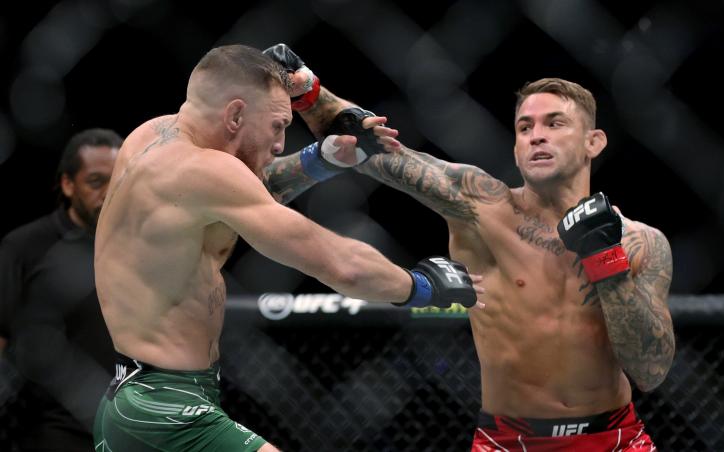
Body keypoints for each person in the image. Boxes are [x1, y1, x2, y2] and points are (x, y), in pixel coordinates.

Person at [264, 44, 674, 451]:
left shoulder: (640, 241)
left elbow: (651, 371)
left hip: (617, 439)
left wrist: (606, 259)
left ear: (594, 142)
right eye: (525, 128)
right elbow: (368, 148)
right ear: (514, 147)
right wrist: (308, 91)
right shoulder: (481, 206)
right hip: (509, 442)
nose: (537, 137)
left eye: (555, 124)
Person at [91, 44, 480, 452]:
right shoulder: (204, 170)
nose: (279, 143)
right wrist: (422, 285)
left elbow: (244, 193)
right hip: (165, 411)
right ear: (236, 114)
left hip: (140, 397)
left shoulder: (151, 137)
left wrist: (323, 158)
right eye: (277, 126)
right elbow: (339, 264)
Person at [0, 128, 121, 451]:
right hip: (53, 429)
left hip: (134, 424)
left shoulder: (145, 244)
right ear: (68, 184)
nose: (109, 191)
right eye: (96, 181)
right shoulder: (25, 247)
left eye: (118, 179)